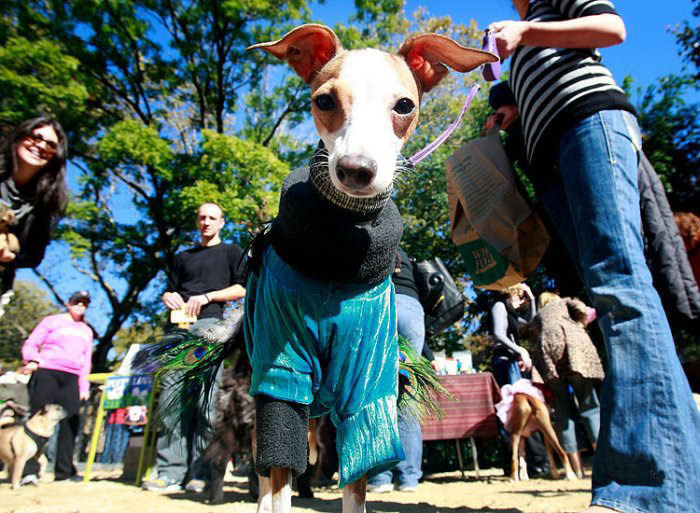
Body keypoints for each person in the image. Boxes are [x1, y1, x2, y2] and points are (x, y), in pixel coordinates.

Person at [489, 2, 700, 511]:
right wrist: (506, 111)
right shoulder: (524, 39)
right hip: (550, 158)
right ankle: (678, 477)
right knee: (610, 300)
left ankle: (646, 488)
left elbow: (612, 29)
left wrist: (526, 30)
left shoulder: (542, 10)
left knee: (619, 287)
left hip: (588, 124)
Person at [142, 202, 246, 493]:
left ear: (222, 222)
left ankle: (201, 473)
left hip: (211, 329)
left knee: (206, 401)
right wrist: (168, 297)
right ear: (196, 221)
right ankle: (170, 473)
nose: (206, 222)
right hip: (178, 330)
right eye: (202, 217)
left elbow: (243, 288)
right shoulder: (182, 257)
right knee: (171, 401)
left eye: (212, 217)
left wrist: (208, 296)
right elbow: (171, 289)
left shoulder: (231, 252)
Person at [20, 290, 94, 482]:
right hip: (48, 372)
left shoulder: (86, 330)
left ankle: (64, 471)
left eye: (85, 303)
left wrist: (84, 386)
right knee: (37, 418)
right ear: (69, 303)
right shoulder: (52, 321)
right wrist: (32, 359)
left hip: (72, 377)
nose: (81, 305)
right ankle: (29, 470)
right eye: (78, 302)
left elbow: (86, 360)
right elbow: (32, 343)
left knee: (71, 421)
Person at [367, 247, 425, 493]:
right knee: (408, 396)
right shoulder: (404, 252)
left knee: (377, 394)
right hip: (412, 308)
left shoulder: (369, 241)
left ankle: (380, 478)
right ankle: (409, 478)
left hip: (381, 303)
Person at [532, 292, 603, 478]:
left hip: (548, 355)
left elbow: (535, 333)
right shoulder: (565, 302)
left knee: (563, 411)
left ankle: (576, 469)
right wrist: (580, 324)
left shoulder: (539, 317)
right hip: (573, 349)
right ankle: (602, 463)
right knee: (589, 406)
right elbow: (582, 310)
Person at [0, 116, 68, 303]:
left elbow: (33, 256)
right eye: (36, 137)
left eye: (51, 145)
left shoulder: (46, 203)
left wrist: (8, 257)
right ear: (20, 136)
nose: (42, 146)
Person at [489, 283, 535, 388]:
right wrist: (520, 351)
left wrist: (532, 299)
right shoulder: (499, 306)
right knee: (511, 397)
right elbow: (498, 334)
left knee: (518, 396)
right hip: (503, 360)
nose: (522, 301)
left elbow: (530, 321)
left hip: (512, 360)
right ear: (512, 294)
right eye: (521, 297)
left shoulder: (512, 314)